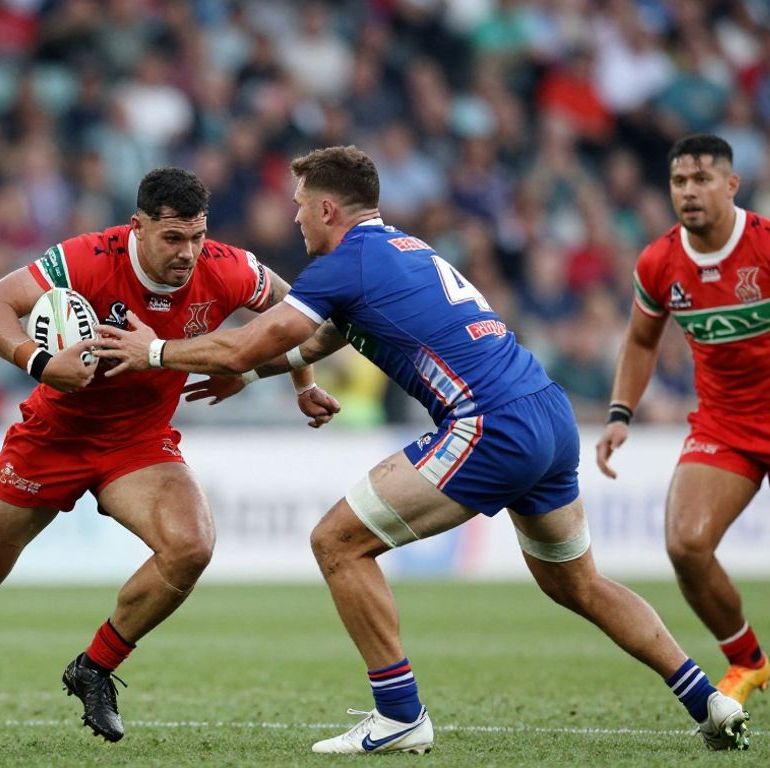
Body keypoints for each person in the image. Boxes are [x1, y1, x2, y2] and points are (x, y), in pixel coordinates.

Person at [96, 146, 750, 754]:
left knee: (337, 542)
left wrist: (153, 351)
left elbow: (247, 341)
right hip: (546, 415)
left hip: (489, 424)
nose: (295, 218)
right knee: (578, 582)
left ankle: (399, 713)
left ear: (328, 208)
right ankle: (705, 699)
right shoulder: (402, 247)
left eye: (300, 205)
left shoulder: (342, 262)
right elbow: (326, 337)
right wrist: (260, 373)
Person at [0, 167, 315, 746]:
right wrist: (39, 364)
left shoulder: (230, 267)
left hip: (139, 443)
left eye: (197, 237)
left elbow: (297, 320)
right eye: (173, 239)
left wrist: (273, 376)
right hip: (54, 437)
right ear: (137, 227)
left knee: (191, 545)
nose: (188, 253)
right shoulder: (88, 258)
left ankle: (94, 667)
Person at [598, 133, 770, 706]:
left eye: (701, 180)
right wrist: (621, 413)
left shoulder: (766, 247)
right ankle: (747, 662)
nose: (689, 193)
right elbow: (641, 342)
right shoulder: (659, 261)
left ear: (731, 184)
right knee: (686, 543)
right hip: (726, 426)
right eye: (679, 182)